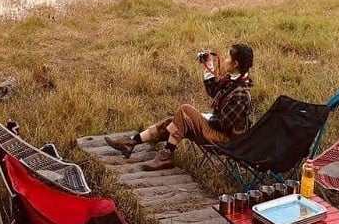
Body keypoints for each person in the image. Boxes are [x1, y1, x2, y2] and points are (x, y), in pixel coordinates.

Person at [104, 43, 254, 171]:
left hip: (224, 139)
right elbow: (214, 91)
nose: (225, 59)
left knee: (185, 110)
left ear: (235, 64)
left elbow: (223, 124)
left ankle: (166, 155)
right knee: (175, 120)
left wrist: (203, 117)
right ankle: (130, 142)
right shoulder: (234, 81)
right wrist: (208, 65)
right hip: (218, 131)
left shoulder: (240, 93)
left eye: (228, 57)